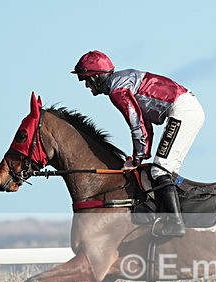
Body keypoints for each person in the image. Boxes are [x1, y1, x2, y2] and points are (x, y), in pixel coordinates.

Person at [72, 50, 205, 236]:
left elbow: (136, 124)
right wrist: (141, 155)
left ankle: (176, 223)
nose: (86, 85)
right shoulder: (121, 80)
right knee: (164, 169)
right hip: (186, 109)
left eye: (86, 79)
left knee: (160, 170)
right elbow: (145, 124)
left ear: (96, 77)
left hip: (182, 111)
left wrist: (137, 159)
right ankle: (172, 216)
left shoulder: (117, 90)